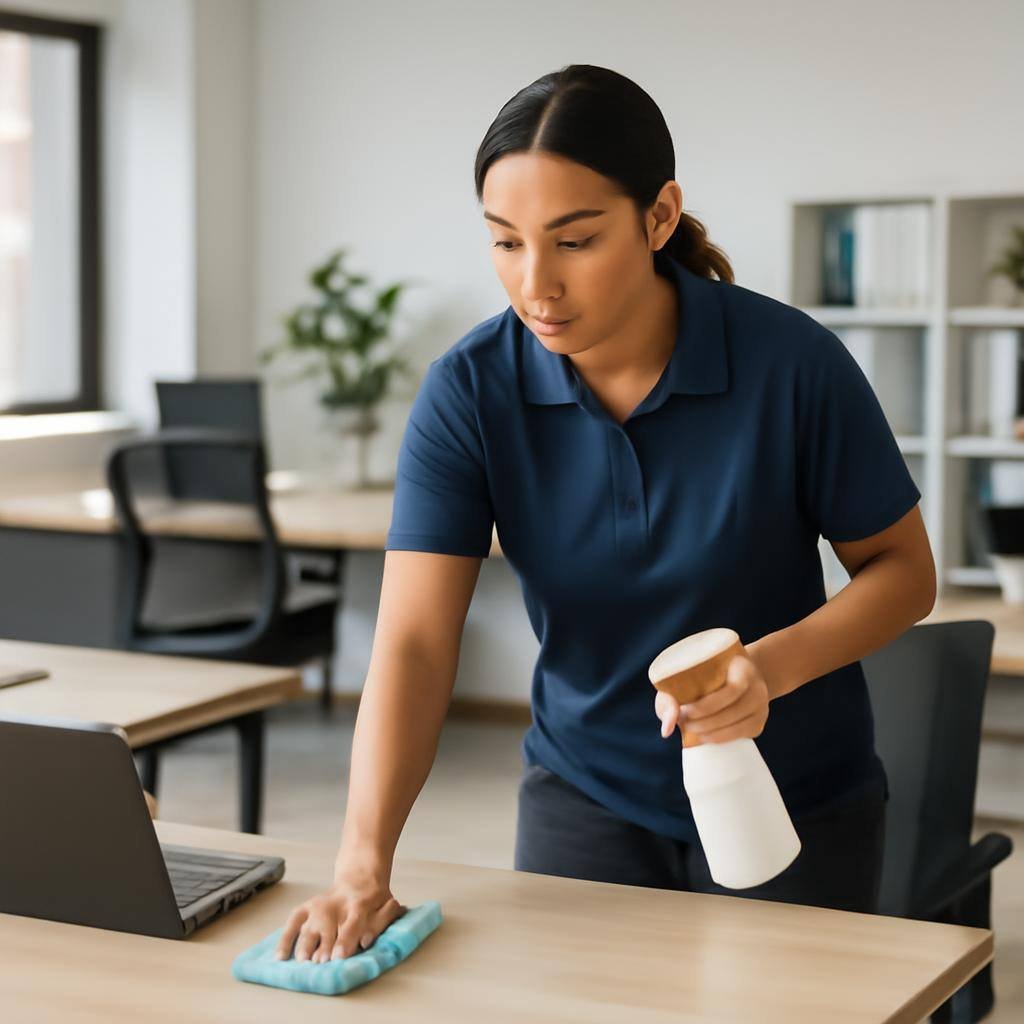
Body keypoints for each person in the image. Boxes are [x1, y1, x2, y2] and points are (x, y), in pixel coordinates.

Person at [273, 64, 936, 963]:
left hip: (793, 795)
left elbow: (904, 572)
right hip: (585, 795)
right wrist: (361, 862)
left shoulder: (794, 365)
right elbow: (416, 644)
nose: (534, 284)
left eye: (574, 242)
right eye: (505, 243)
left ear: (659, 217)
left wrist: (766, 673)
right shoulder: (470, 391)